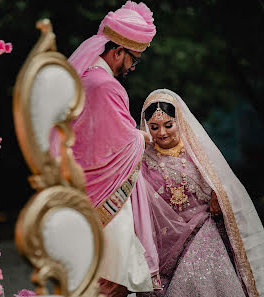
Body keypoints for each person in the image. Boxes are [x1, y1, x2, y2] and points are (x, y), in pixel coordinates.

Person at [53, 1, 161, 296]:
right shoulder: (107, 87)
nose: (133, 67)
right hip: (108, 197)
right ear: (117, 52)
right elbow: (123, 143)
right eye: (133, 59)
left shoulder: (82, 81)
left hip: (79, 193)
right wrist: (145, 136)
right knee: (115, 280)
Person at [137, 89, 264, 297]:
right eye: (154, 127)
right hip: (163, 242)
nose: (162, 133)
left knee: (200, 268)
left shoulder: (198, 153)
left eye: (168, 125)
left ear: (179, 121)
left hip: (202, 230)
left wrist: (218, 195)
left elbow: (223, 184)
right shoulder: (143, 160)